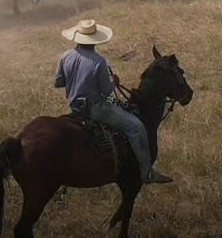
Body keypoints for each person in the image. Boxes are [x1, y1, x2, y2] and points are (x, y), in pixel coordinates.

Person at [54, 19, 173, 184]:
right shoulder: (99, 61)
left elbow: (58, 82)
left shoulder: (66, 56)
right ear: (95, 40)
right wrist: (114, 82)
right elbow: (107, 91)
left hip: (75, 106)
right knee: (136, 126)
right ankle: (147, 173)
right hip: (96, 108)